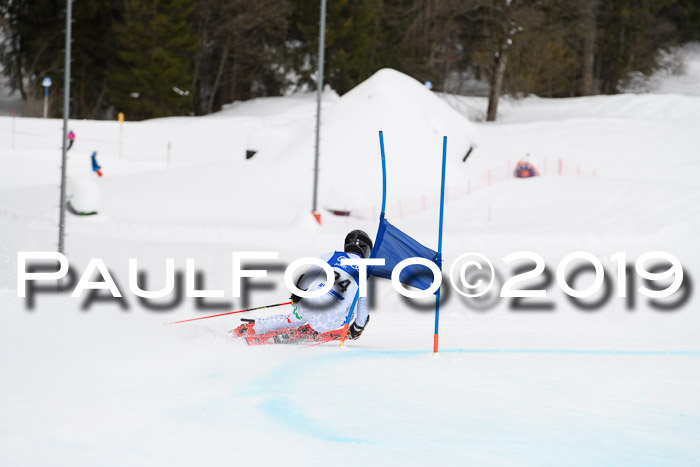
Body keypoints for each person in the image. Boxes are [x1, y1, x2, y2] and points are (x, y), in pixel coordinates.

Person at [234, 230, 373, 342]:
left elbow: (306, 278)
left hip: (308, 305)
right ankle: (318, 330)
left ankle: (255, 327)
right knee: (352, 306)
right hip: (329, 322)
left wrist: (297, 296)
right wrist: (357, 329)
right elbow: (363, 311)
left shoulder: (332, 256)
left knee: (289, 319)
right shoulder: (366, 273)